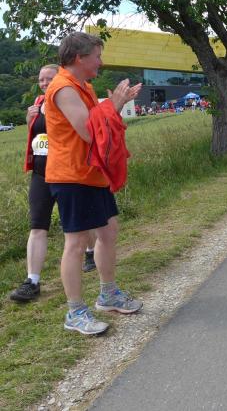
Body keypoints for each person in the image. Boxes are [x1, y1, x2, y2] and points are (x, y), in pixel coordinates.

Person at [46, 32, 143, 335]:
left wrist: (117, 104)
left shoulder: (83, 86)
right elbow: (89, 131)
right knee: (76, 243)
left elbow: (100, 124)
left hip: (92, 172)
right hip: (72, 175)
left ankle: (108, 294)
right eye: (97, 56)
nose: (100, 62)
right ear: (80, 58)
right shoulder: (63, 88)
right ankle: (75, 312)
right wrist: (114, 104)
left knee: (108, 231)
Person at [9, 64, 96, 302]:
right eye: (41, 79)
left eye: (49, 78)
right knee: (37, 226)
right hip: (41, 174)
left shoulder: (70, 99)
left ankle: (90, 252)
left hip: (67, 172)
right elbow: (37, 135)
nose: (45, 83)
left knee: (78, 222)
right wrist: (29, 118)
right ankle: (32, 281)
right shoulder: (37, 103)